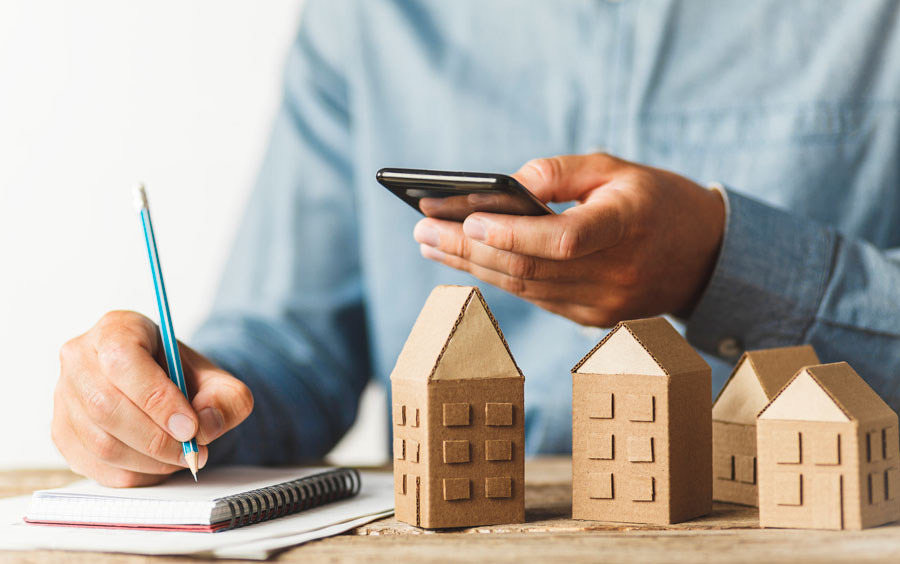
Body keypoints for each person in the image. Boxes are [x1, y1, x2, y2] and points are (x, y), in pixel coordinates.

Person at [52, 0, 900, 487]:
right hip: (457, 555)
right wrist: (166, 396)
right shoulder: (371, 18)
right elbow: (288, 354)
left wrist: (721, 261)